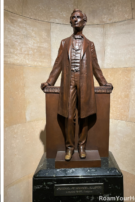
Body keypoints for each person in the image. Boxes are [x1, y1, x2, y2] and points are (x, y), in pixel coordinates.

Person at [41, 9, 113, 161]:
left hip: (84, 82)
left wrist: (104, 83)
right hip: (69, 82)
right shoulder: (64, 43)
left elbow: (95, 66)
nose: (75, 19)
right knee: (68, 116)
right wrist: (49, 82)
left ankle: (81, 146)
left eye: (78, 17)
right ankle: (69, 147)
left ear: (84, 22)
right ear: (70, 21)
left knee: (84, 115)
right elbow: (58, 64)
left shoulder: (90, 45)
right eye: (73, 17)